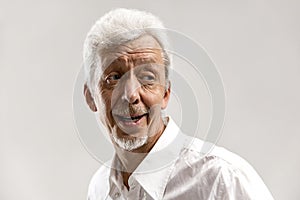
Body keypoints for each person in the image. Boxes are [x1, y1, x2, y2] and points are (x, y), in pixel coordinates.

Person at [83, 8, 274, 200]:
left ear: (166, 93)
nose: (131, 94)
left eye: (147, 77)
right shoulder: (99, 187)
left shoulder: (223, 180)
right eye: (114, 77)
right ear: (91, 97)